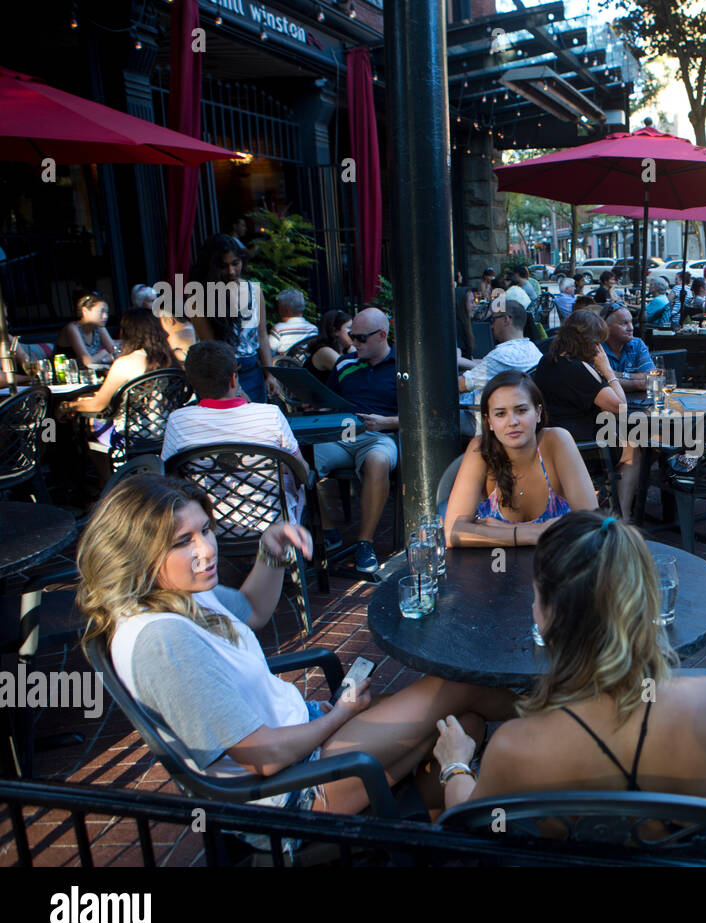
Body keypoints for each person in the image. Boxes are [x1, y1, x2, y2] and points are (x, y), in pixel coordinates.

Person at [77, 474, 516, 820]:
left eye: (205, 531)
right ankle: (567, 732)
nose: (205, 550)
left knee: (464, 722)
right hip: (288, 791)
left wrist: (270, 551)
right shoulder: (161, 640)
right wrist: (341, 713)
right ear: (136, 553)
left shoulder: (179, 591)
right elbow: (262, 758)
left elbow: (250, 608)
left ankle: (439, 835)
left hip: (304, 738)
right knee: (457, 690)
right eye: (182, 542)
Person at [432, 511, 706, 820]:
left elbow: (468, 820)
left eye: (536, 597)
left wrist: (455, 764)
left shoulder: (514, 746)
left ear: (549, 618)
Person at [446, 372, 598, 548]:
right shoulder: (481, 450)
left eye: (522, 410)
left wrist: (495, 531)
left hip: (559, 568)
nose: (513, 422)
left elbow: (592, 523)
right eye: (501, 414)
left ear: (538, 412)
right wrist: (536, 532)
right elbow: (451, 533)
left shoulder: (557, 440)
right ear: (488, 421)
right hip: (497, 569)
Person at [162, 342, 308, 523]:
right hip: (273, 526)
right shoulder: (270, 415)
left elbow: (170, 477)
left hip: (208, 527)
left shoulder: (178, 421)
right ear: (233, 379)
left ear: (191, 383)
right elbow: (300, 470)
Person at [311, 308, 399, 573]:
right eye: (351, 336)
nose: (353, 343)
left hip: (380, 435)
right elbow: (329, 400)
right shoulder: (344, 364)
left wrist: (388, 422)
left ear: (382, 335)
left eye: (360, 338)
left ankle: (365, 542)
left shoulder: (402, 366)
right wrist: (317, 405)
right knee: (297, 460)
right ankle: (328, 531)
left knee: (378, 460)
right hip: (341, 434)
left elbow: (424, 414)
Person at [532, 310, 640, 515]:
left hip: (548, 442)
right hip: (584, 448)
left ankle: (603, 499)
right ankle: (621, 516)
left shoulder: (547, 361)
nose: (600, 348)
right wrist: (607, 371)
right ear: (588, 342)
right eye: (598, 343)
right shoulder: (577, 368)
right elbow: (620, 405)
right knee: (634, 449)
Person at [63, 308, 179, 465]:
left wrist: (69, 406)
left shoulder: (125, 363)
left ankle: (106, 483)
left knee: (87, 429)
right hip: (167, 432)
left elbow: (98, 405)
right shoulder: (170, 359)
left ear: (127, 333)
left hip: (131, 436)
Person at [191, 234, 279, 404]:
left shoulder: (254, 290)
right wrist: (236, 389)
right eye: (223, 266)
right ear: (212, 267)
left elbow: (261, 335)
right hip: (220, 376)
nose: (231, 271)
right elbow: (210, 344)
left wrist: (270, 374)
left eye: (236, 263)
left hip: (253, 370)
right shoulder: (199, 297)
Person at [458, 301, 543, 407]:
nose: (492, 326)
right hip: (515, 407)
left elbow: (461, 385)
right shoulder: (533, 349)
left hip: (473, 413)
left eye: (493, 320)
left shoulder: (502, 355)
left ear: (506, 320)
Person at [600, 303, 654, 390]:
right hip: (608, 402)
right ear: (606, 326)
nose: (631, 328)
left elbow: (652, 379)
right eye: (624, 323)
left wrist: (618, 375)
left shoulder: (637, 344)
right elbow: (601, 383)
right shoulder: (596, 348)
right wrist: (640, 384)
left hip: (639, 402)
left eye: (631, 322)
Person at [58, 293, 118, 368]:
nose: (105, 316)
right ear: (85, 311)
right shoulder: (73, 328)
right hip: (65, 374)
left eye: (107, 312)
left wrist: (105, 359)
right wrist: (104, 352)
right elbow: (88, 362)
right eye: (101, 312)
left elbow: (116, 353)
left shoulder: (99, 327)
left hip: (87, 373)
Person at [306, 309, 353, 383]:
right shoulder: (324, 351)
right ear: (335, 331)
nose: (352, 332)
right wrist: (351, 347)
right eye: (349, 328)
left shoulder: (344, 350)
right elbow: (350, 373)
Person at [268, 289, 317, 354]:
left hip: (285, 363)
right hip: (307, 363)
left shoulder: (279, 329)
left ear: (285, 309)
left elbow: (270, 351)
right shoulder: (313, 329)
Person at [452, 287, 479, 372]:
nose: (475, 306)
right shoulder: (457, 325)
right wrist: (482, 368)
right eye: (471, 302)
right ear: (461, 304)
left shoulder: (461, 324)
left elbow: (468, 359)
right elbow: (457, 359)